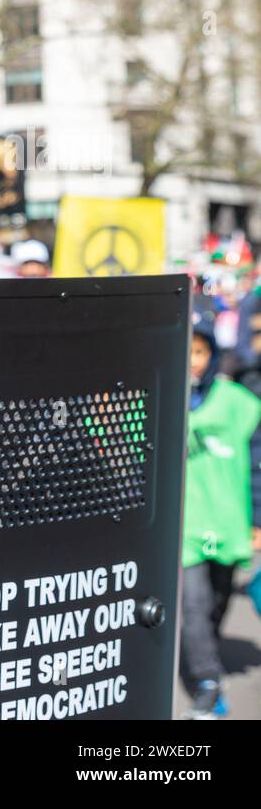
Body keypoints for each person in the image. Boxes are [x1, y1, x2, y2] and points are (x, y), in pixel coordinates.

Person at [181, 305, 261, 719]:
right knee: (193, 603)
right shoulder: (162, 393)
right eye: (186, 351)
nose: (193, 360)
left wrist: (258, 519)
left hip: (226, 520)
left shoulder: (238, 401)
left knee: (216, 601)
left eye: (199, 351)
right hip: (188, 525)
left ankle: (202, 650)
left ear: (210, 353)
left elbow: (257, 458)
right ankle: (207, 679)